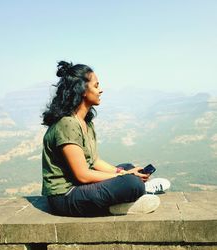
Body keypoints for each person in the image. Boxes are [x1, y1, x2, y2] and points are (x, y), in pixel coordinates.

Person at [41, 61, 169, 217]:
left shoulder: (85, 122)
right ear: (81, 90)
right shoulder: (67, 124)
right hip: (65, 196)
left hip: (80, 187)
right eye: (96, 86)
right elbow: (82, 175)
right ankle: (128, 200)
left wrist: (121, 171)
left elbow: (94, 162)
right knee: (131, 182)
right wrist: (124, 177)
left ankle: (136, 191)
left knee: (127, 167)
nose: (100, 90)